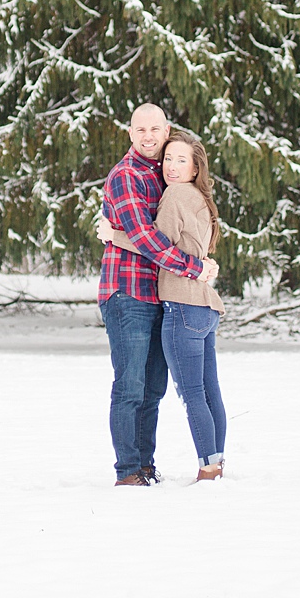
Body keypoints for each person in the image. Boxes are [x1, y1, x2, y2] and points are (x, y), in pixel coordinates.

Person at [96, 104, 219, 487]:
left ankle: (145, 465)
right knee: (130, 385)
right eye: (140, 129)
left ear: (166, 131)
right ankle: (128, 471)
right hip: (127, 293)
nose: (148, 136)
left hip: (161, 297)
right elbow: (148, 239)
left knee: (153, 389)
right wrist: (196, 268)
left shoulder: (167, 175)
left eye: (155, 129)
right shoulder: (127, 176)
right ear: (130, 133)